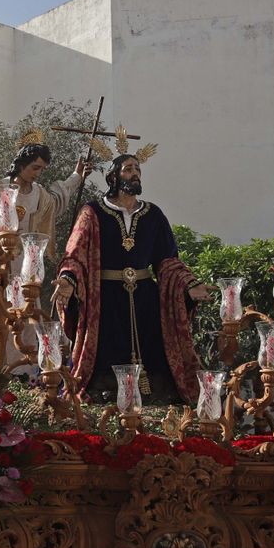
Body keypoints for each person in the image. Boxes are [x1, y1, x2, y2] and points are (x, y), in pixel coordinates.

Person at [52, 145, 208, 402]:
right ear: (113, 177)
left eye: (137, 169)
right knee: (107, 348)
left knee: (153, 350)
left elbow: (167, 260)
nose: (135, 173)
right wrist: (69, 278)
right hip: (106, 299)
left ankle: (154, 398)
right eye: (128, 169)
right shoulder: (92, 212)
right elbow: (75, 252)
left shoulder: (153, 214)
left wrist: (188, 284)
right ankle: (105, 397)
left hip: (145, 296)